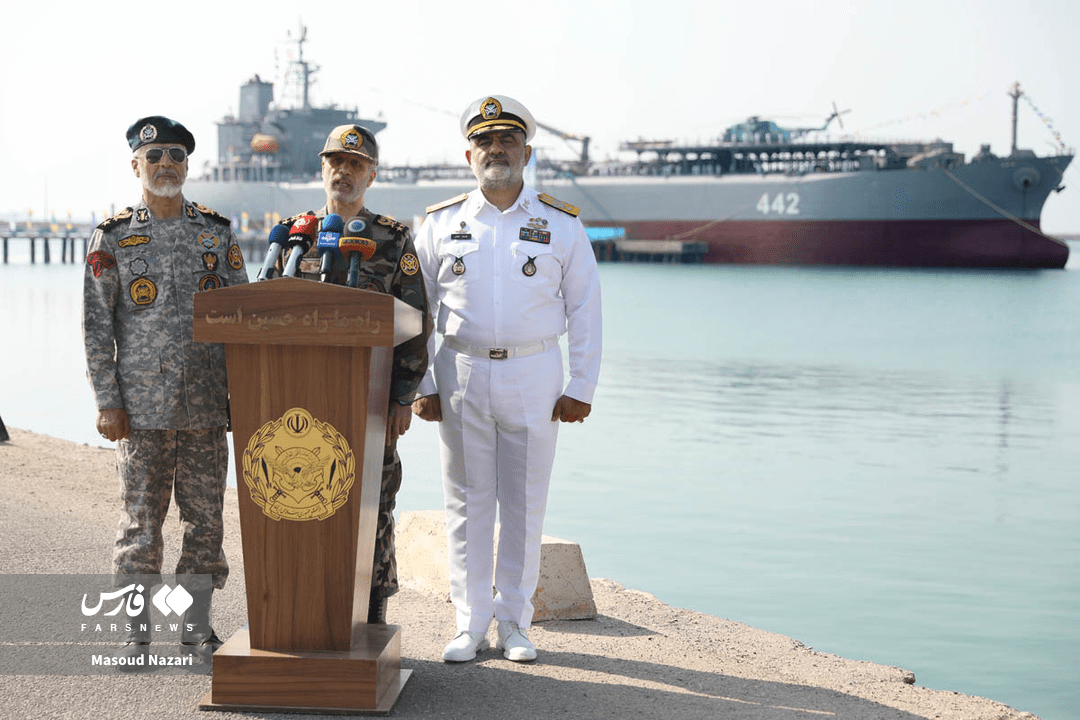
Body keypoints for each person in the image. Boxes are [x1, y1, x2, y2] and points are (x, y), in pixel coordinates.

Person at [412, 95, 602, 663]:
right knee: (466, 503)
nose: (496, 150)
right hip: (461, 369)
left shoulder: (560, 223)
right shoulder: (441, 222)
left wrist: (582, 386)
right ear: (468, 155)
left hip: (534, 371)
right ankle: (469, 623)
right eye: (485, 141)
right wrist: (421, 384)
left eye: (507, 141)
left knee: (524, 503)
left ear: (526, 152)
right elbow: (416, 310)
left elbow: (585, 307)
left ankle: (515, 623)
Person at [82, 115, 250, 668]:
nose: (166, 165)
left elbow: (243, 316)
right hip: (142, 410)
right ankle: (135, 633)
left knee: (205, 524)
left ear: (187, 164)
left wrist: (244, 398)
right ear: (136, 165)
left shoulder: (215, 233)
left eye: (176, 155)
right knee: (140, 524)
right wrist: (107, 401)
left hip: (206, 407)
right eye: (154, 156)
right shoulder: (112, 237)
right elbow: (96, 326)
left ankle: (196, 628)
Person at [273, 124, 430, 624]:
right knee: (298, 497)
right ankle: (298, 607)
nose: (343, 171)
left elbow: (416, 321)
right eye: (335, 162)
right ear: (322, 169)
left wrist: (403, 396)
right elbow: (264, 308)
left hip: (370, 398)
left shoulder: (391, 239)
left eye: (355, 164)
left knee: (373, 502)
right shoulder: (294, 235)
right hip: (295, 401)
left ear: (372, 175)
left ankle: (372, 608)